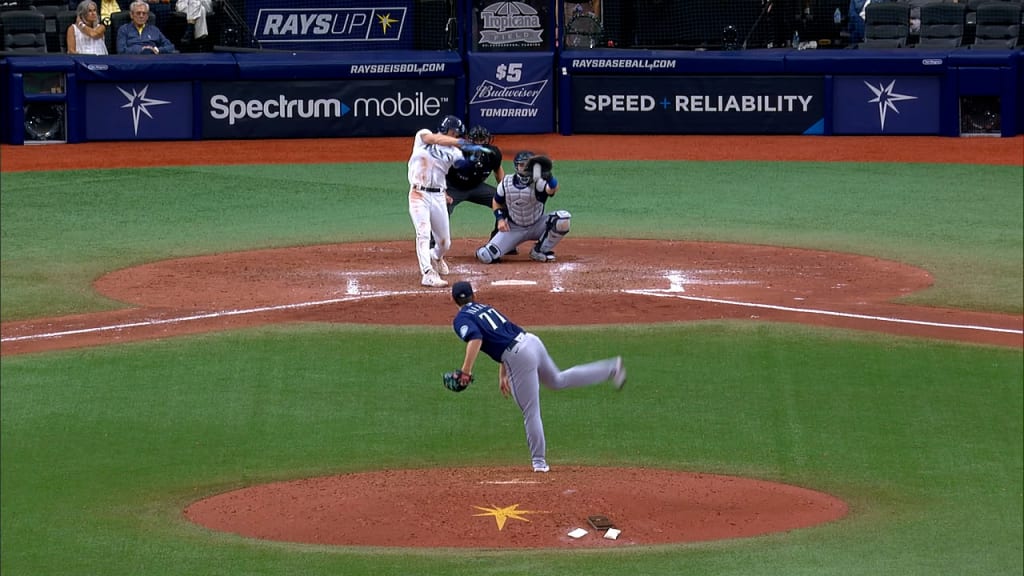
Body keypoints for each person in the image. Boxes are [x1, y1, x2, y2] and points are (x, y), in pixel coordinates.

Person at [449, 280, 626, 473]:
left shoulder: (462, 319)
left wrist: (466, 371)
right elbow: (506, 333)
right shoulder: (486, 308)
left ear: (454, 300)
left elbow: (475, 338)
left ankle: (539, 463)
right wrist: (503, 374)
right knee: (557, 380)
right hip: (532, 342)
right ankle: (611, 368)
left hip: (518, 357)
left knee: (530, 411)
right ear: (473, 295)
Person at [407, 114, 486, 288]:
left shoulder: (454, 152)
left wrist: (473, 159)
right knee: (423, 233)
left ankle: (435, 256)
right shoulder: (424, 136)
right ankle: (427, 272)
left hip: (438, 196)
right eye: (455, 133)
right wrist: (460, 143)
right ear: (448, 130)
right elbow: (433, 138)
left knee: (444, 242)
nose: (456, 136)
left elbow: (461, 166)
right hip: (418, 194)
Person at [475, 151, 570, 264]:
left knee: (563, 219)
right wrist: (500, 219)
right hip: (514, 228)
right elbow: (496, 201)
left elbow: (552, 189)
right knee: (485, 256)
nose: (525, 168)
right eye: (521, 165)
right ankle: (508, 245)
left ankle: (539, 251)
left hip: (537, 225)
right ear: (516, 166)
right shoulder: (506, 182)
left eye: (528, 165)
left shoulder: (539, 182)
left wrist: (550, 178)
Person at [431, 124, 508, 252]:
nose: (480, 143)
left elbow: (498, 170)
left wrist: (505, 190)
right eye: (476, 140)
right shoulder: (457, 152)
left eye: (482, 140)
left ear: (488, 140)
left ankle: (499, 242)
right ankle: (433, 244)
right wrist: (442, 192)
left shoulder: (493, 153)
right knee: (441, 207)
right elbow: (439, 172)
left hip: (476, 187)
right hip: (453, 187)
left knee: (504, 202)